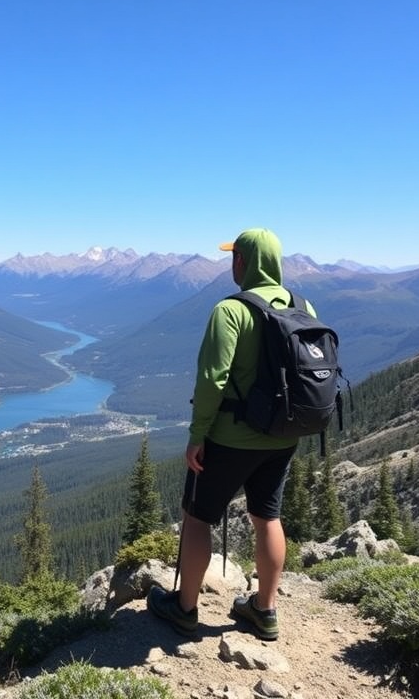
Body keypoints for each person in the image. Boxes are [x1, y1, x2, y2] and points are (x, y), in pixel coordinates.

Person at [148, 228, 304, 642]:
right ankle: (265, 611)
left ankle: (184, 608)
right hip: (283, 435)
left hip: (229, 438)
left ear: (243, 262)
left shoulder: (231, 310)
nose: (230, 263)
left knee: (197, 518)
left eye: (233, 257)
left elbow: (212, 379)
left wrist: (197, 434)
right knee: (267, 516)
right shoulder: (302, 306)